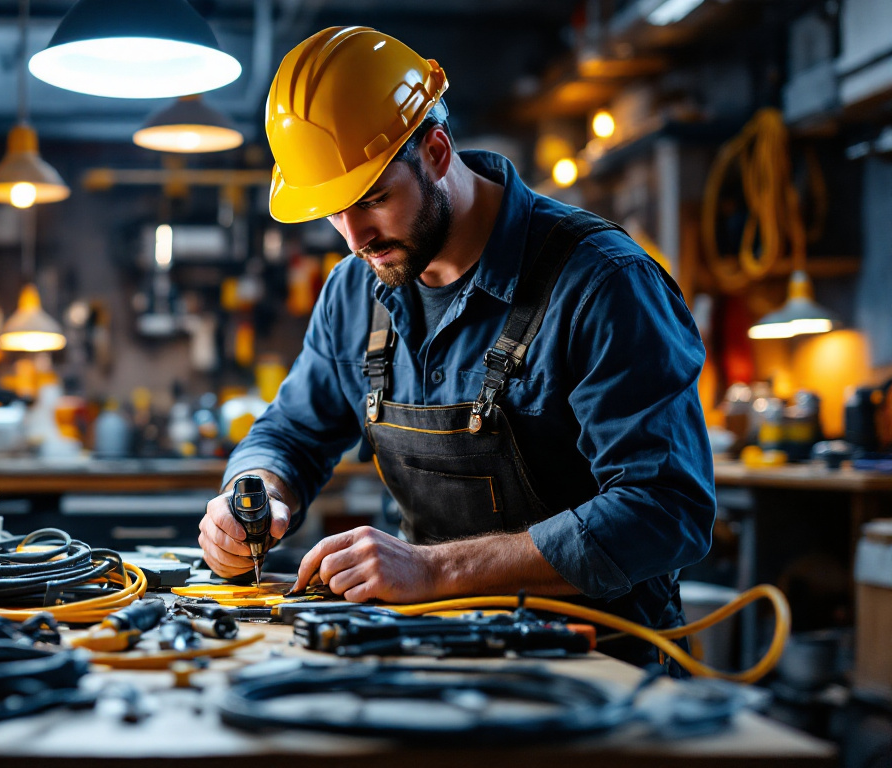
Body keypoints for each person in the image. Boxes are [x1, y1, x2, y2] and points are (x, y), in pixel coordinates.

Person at [197, 26, 715, 667]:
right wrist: (255, 492)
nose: (355, 235)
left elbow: (665, 510)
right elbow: (293, 433)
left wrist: (435, 571)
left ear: (437, 152)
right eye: (333, 210)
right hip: (434, 657)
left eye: (374, 198)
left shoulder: (603, 283)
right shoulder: (354, 292)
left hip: (595, 665)